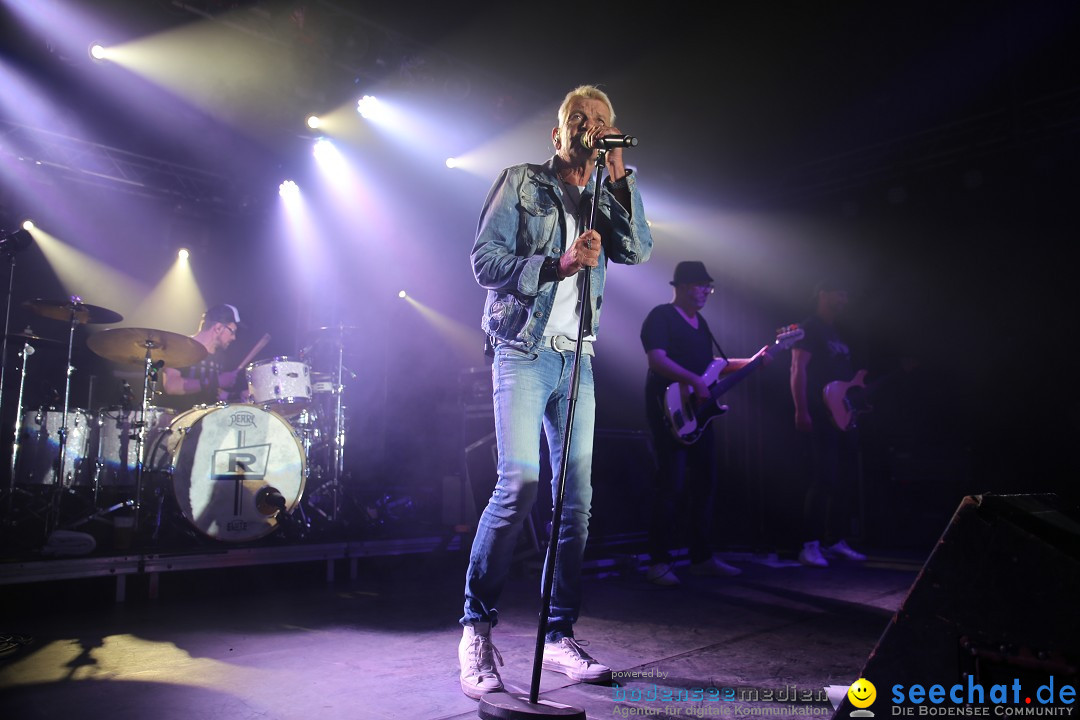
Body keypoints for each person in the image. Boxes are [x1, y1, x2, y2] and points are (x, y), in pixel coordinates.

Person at [459, 85, 652, 699]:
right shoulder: (521, 182)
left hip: (578, 361)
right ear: (556, 133)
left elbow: (638, 249)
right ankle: (476, 628)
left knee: (576, 504)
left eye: (599, 120)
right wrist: (558, 264)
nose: (588, 126)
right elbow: (484, 260)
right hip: (523, 349)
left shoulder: (603, 193)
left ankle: (557, 633)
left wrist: (620, 184)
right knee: (517, 481)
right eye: (578, 119)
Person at [640, 261, 761, 586]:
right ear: (679, 287)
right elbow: (657, 359)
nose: (705, 291)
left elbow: (714, 366)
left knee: (705, 485)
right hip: (669, 410)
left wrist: (753, 361)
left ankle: (702, 557)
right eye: (699, 285)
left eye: (708, 286)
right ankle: (658, 561)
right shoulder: (661, 316)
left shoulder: (701, 322)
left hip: (700, 414)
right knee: (671, 485)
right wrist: (694, 380)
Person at [789, 281, 867, 567]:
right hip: (821, 415)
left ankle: (835, 540)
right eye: (840, 292)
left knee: (845, 479)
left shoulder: (836, 332)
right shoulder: (809, 328)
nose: (844, 299)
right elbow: (798, 369)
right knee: (824, 478)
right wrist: (801, 410)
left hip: (843, 416)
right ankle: (809, 544)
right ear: (822, 294)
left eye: (846, 293)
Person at [160, 303, 243, 411]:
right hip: (181, 421)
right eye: (232, 331)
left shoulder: (220, 357)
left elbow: (216, 392)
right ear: (218, 328)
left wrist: (237, 395)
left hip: (210, 421)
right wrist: (215, 381)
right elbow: (172, 386)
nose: (234, 337)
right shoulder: (182, 346)